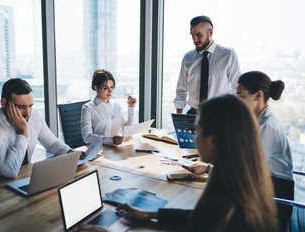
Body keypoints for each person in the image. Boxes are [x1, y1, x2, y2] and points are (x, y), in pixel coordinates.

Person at [76, 95, 279, 232]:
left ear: (216, 139)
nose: (194, 139)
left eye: (198, 131)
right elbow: (200, 219)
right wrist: (148, 214)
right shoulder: (241, 181)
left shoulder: (226, 207)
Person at [0, 78, 80, 181]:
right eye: (21, 107)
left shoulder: (34, 116)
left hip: (21, 178)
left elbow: (52, 144)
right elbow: (9, 171)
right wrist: (22, 132)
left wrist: (71, 152)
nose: (27, 113)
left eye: (30, 106)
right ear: (4, 103)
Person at [237, 71, 294, 229]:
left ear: (258, 96)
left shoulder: (267, 125)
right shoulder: (259, 119)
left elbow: (249, 168)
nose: (237, 100)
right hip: (267, 187)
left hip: (276, 198)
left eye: (241, 96)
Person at [174, 15, 241, 114]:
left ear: (210, 32)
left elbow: (237, 87)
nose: (195, 40)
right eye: (192, 36)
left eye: (199, 35)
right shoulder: (188, 58)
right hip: (193, 114)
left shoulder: (228, 55)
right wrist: (179, 117)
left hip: (220, 113)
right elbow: (181, 89)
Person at [81, 69, 137, 145]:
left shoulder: (116, 105)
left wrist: (131, 108)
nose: (110, 91)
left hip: (116, 149)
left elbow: (127, 130)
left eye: (112, 87)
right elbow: (87, 137)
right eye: (105, 88)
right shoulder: (88, 108)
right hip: (98, 150)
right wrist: (111, 140)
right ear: (96, 88)